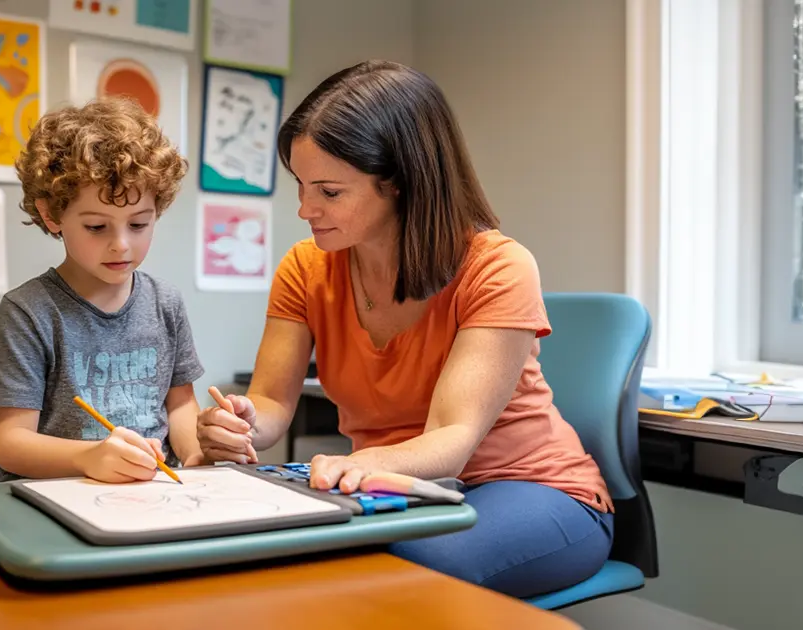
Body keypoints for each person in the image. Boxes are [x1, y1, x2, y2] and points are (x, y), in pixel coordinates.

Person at [195, 60, 614, 598]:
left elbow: (452, 440)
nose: (304, 209)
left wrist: (355, 464)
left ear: (397, 182)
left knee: (398, 571)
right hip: (394, 488)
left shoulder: (499, 267)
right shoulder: (304, 269)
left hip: (534, 488)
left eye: (328, 191)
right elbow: (271, 405)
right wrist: (241, 427)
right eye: (301, 186)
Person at [0, 97, 215, 484]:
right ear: (51, 214)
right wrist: (90, 457)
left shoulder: (165, 303)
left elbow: (180, 406)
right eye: (96, 227)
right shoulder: (29, 311)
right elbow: (10, 443)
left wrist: (196, 456)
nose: (121, 244)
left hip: (148, 495)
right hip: (54, 497)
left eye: (138, 225)